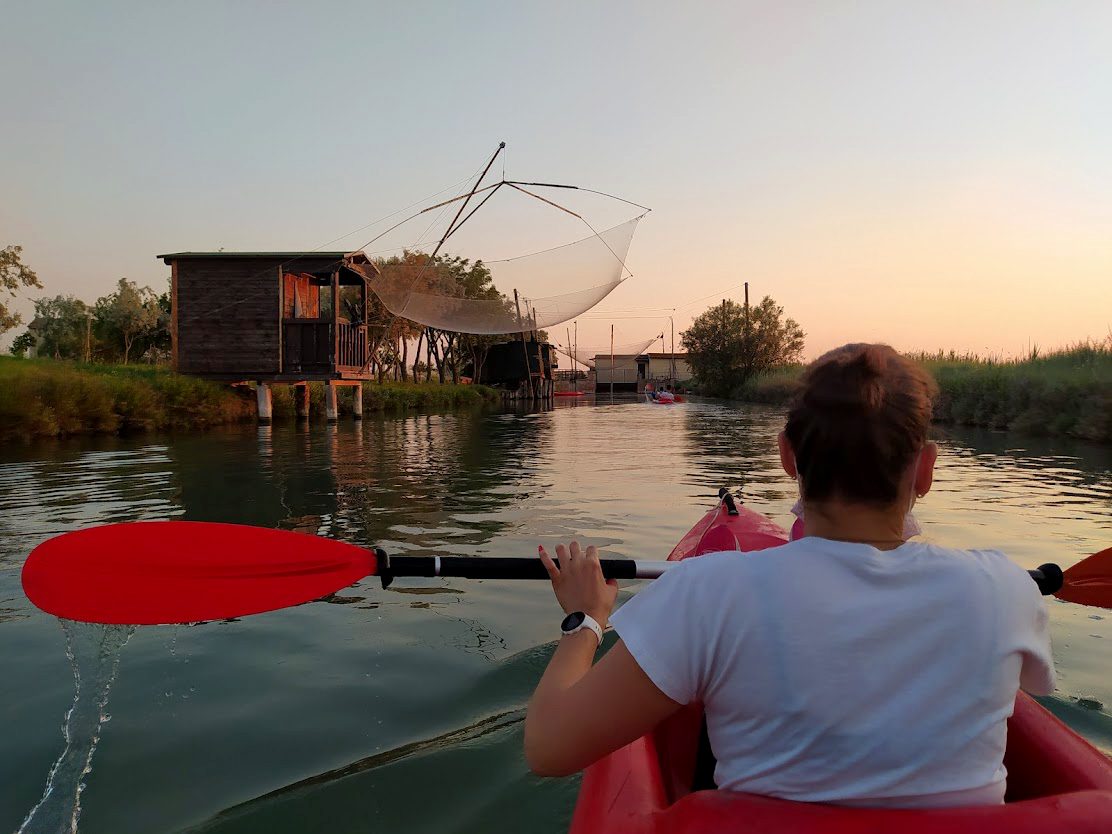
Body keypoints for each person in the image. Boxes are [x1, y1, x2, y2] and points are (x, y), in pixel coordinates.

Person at [525, 343, 1054, 808]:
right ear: (926, 468)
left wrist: (586, 617)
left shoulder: (706, 591)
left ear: (787, 456)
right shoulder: (1006, 588)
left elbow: (548, 749)